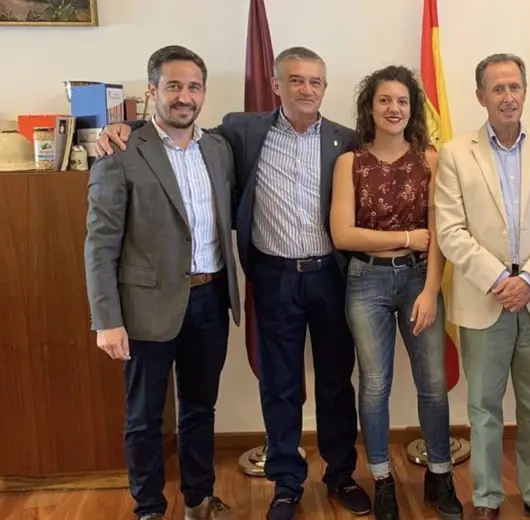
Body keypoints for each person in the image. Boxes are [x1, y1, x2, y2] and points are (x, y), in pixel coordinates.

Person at [96, 47, 371, 520]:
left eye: (315, 81)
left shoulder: (344, 141)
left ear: (325, 88)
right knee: (279, 387)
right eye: (296, 80)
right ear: (276, 84)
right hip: (273, 279)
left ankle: (341, 474)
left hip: (329, 276)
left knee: (334, 383)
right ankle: (286, 484)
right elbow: (171, 130)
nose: (306, 89)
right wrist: (121, 127)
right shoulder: (242, 132)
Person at [84, 45, 241, 520]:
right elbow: (100, 243)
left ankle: (198, 500)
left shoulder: (218, 149)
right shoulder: (120, 151)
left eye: (193, 87)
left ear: (204, 93)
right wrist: (106, 320)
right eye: (173, 86)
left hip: (210, 298)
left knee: (200, 409)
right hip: (144, 308)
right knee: (144, 416)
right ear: (152, 90)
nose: (184, 97)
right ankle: (149, 509)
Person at [434, 53, 530, 520]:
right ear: (481, 97)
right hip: (484, 298)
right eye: (498, 89)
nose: (508, 96)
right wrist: (500, 281)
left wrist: (529, 280)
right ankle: (487, 498)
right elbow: (450, 231)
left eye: (515, 87)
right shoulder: (456, 154)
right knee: (483, 408)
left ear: (525, 91)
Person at [328, 65, 462, 520]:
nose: (394, 108)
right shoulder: (350, 162)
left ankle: (440, 474)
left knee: (433, 384)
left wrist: (430, 289)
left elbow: (438, 234)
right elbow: (343, 234)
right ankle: (382, 478)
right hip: (366, 281)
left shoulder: (430, 159)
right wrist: (406, 238)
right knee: (374, 385)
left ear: (413, 109)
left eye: (402, 101)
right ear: (370, 107)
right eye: (384, 100)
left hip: (419, 280)